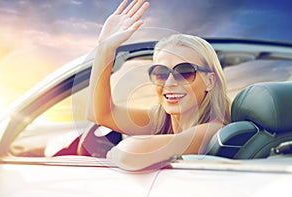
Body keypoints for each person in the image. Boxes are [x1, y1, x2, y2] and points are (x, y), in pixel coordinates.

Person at [87, 0, 230, 171]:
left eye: (185, 72)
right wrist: (105, 48)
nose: (170, 83)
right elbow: (99, 114)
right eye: (161, 73)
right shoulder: (161, 120)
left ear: (210, 81)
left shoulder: (214, 130)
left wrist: (113, 153)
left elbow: (131, 154)